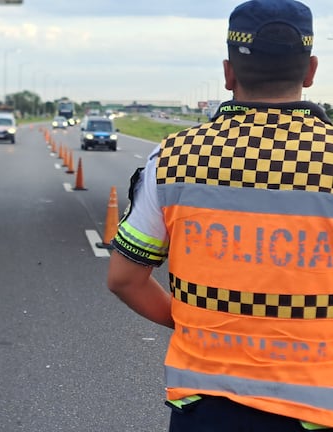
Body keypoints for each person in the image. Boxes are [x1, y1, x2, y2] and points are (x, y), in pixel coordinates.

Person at [106, 0, 333, 430]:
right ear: (310, 71)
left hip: (205, 412)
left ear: (229, 73)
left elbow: (123, 279)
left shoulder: (174, 158)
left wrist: (199, 322)